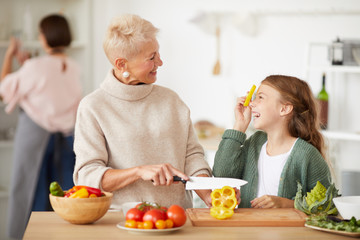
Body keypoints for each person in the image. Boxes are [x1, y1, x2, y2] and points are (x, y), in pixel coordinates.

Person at [73, 14, 212, 209]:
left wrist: (209, 194)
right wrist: (138, 172)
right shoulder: (93, 107)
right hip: (121, 221)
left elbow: (192, 156)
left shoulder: (171, 100)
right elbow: (87, 176)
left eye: (158, 53)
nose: (160, 62)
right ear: (122, 64)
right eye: (151, 57)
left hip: (177, 218)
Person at [0, 14, 82, 239]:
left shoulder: (35, 67)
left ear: (45, 37)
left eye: (40, 33)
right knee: (64, 198)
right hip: (67, 139)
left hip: (34, 137)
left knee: (26, 192)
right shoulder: (74, 67)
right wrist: (27, 65)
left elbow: (3, 89)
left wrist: (9, 56)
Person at [212, 75, 332, 209]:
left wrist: (288, 204)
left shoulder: (307, 155)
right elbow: (222, 174)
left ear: (284, 109)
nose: (251, 103)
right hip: (248, 229)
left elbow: (326, 204)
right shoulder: (254, 143)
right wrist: (240, 125)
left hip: (285, 230)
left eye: (260, 97)